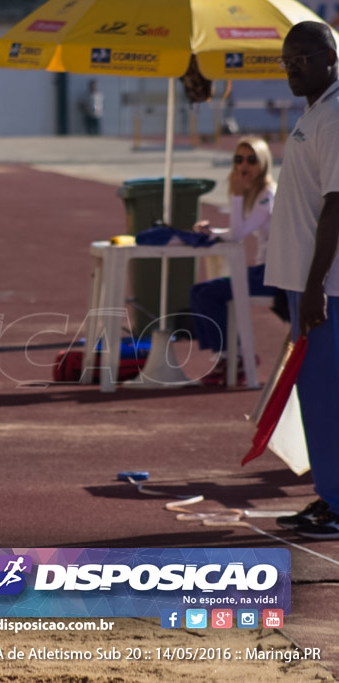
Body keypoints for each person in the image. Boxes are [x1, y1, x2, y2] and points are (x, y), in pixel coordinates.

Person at [264, 20, 339, 539]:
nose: (292, 67)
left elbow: (337, 203)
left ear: (330, 55)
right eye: (286, 60)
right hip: (304, 281)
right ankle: (328, 494)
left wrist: (314, 285)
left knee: (327, 395)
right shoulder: (315, 111)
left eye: (303, 58)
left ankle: (336, 504)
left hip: (327, 287)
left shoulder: (335, 116)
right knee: (314, 397)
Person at [189, 136, 278, 385]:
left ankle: (234, 357)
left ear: (264, 163)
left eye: (251, 160)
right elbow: (235, 232)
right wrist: (211, 232)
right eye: (239, 159)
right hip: (263, 271)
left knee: (207, 293)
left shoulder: (267, 195)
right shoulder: (257, 192)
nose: (244, 166)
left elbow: (238, 234)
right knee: (201, 291)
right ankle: (227, 355)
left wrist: (237, 196)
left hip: (273, 274)